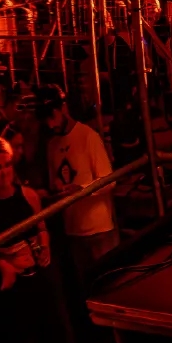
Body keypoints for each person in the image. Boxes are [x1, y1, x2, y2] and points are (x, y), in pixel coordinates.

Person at [0, 136, 76, 343]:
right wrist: (3, 265)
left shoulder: (28, 195)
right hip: (14, 286)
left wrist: (45, 245)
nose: (4, 172)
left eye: (7, 165)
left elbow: (41, 227)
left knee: (54, 331)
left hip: (39, 276)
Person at [38, 86, 116, 278]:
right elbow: (55, 182)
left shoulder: (88, 136)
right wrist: (54, 189)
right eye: (46, 120)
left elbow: (109, 181)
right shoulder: (52, 145)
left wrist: (80, 189)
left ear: (63, 108)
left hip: (98, 229)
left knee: (109, 280)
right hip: (73, 230)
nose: (50, 124)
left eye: (52, 116)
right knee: (85, 283)